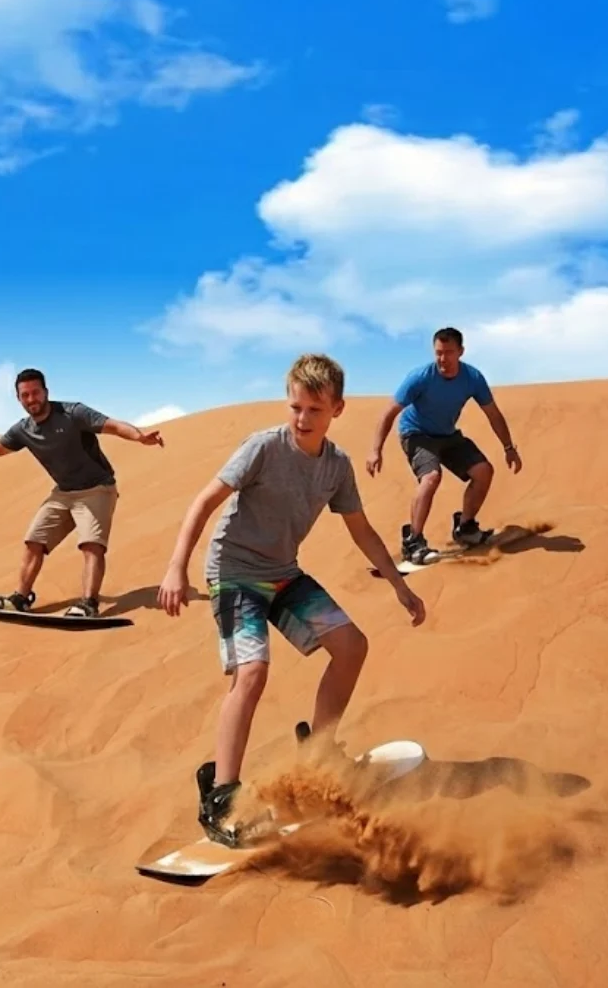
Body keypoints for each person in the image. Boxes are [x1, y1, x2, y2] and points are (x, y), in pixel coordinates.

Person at [156, 353, 426, 847]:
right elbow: (204, 502)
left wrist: (399, 584)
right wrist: (176, 566)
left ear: (337, 409)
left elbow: (361, 530)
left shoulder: (336, 466)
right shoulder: (263, 448)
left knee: (352, 646)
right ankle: (221, 795)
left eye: (314, 410)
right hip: (234, 575)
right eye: (296, 407)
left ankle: (319, 751)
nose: (303, 419)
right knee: (252, 673)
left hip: (282, 575)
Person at [0, 367, 163, 617]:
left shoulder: (73, 413)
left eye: (35, 392)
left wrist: (139, 436)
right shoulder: (23, 429)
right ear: (18, 399)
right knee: (34, 541)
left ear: (46, 392)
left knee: (91, 545)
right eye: (25, 395)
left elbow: (112, 426)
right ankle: (20, 599)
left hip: (97, 489)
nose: (31, 399)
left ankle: (88, 603)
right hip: (63, 493)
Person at [365, 327, 522, 565]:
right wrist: (376, 449)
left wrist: (509, 448)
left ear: (461, 352)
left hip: (447, 435)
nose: (442, 358)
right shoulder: (420, 377)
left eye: (448, 352)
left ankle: (466, 528)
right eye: (438, 352)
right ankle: (413, 542)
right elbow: (389, 413)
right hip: (416, 433)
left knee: (483, 471)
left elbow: (493, 414)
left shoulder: (473, 378)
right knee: (431, 477)